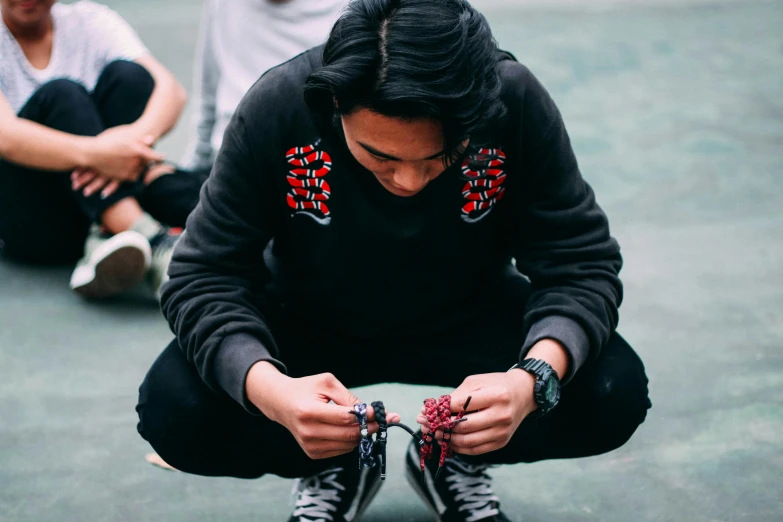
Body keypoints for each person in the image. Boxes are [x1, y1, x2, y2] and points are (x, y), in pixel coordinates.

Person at [136, 1, 652, 521]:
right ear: (335, 107)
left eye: (439, 158)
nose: (408, 182)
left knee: (612, 390)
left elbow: (580, 263)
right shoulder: (280, 106)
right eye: (380, 156)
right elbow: (204, 275)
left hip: (469, 310)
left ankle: (451, 460)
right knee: (176, 408)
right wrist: (275, 396)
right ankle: (335, 464)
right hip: (308, 315)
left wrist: (530, 380)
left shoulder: (513, 99)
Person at [0, 0, 203, 298]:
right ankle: (150, 237)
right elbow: (6, 136)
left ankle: (106, 231)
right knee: (62, 96)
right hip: (33, 223)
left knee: (130, 76)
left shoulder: (89, 21)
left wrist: (129, 147)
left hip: (96, 193)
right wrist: (100, 154)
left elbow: (170, 91)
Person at [181, 0, 348, 172]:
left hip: (313, 163)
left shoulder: (351, 9)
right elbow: (209, 92)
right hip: (230, 158)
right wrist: (196, 165)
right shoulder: (223, 4)